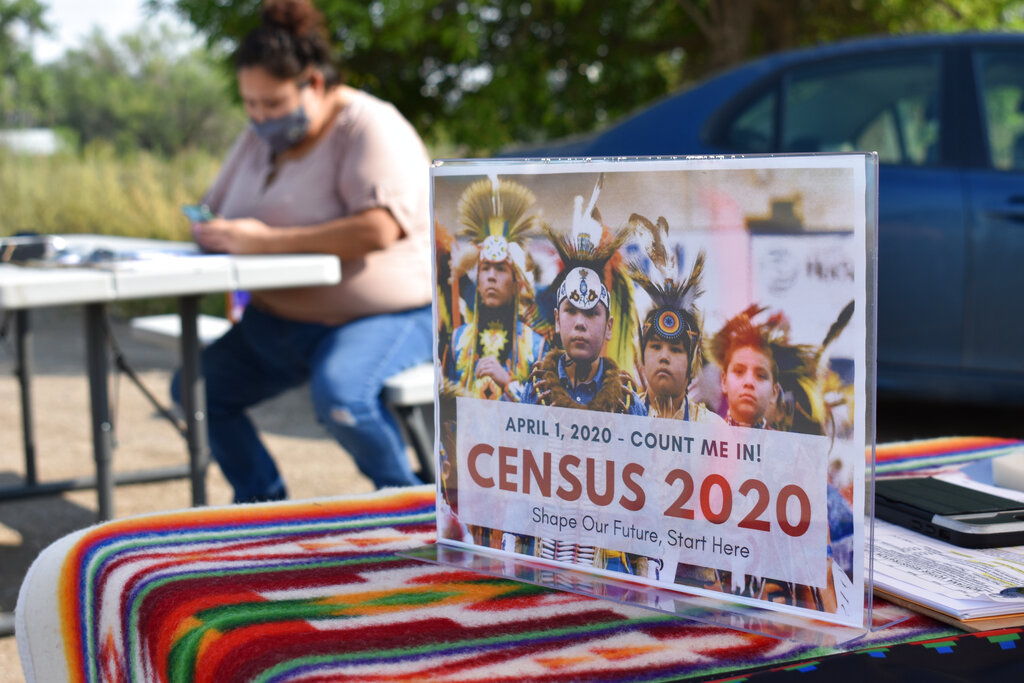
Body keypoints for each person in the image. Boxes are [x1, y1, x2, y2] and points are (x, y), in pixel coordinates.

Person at [171, 0, 432, 502]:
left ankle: (408, 506)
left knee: (341, 398)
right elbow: (215, 207)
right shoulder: (257, 138)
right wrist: (212, 230)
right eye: (250, 105)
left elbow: (378, 228)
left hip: (383, 317)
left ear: (312, 83)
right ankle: (263, 503)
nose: (260, 117)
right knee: (197, 391)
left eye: (271, 105)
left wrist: (262, 242)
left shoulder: (369, 125)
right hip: (278, 320)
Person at [445, 177, 548, 402]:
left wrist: (508, 383)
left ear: (516, 283)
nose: (491, 276)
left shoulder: (537, 347)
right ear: (478, 281)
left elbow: (546, 415)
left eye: (501, 269)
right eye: (485, 269)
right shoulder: (457, 341)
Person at [630, 248, 723, 424]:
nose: (664, 357)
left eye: (676, 349)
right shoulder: (622, 420)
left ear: (692, 360)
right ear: (642, 355)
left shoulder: (714, 429)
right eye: (655, 347)